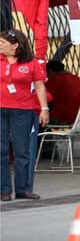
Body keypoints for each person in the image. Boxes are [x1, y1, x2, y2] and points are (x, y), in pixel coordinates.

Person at [0, 29, 48, 201]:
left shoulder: (31, 63)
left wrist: (44, 109)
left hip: (23, 110)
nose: (0, 45)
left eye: (3, 42)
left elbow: (40, 86)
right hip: (1, 110)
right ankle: (4, 190)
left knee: (22, 150)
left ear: (15, 46)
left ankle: (23, 188)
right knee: (2, 150)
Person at [45, 60, 80, 125]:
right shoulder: (76, 78)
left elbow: (40, 96)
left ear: (50, 71)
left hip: (64, 117)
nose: (47, 77)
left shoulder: (54, 80)